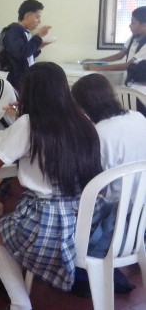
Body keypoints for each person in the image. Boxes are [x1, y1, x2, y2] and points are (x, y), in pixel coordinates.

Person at [0, 62, 103, 310]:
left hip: (49, 224)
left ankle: (20, 301)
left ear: (28, 91)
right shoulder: (83, 120)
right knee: (14, 204)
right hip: (86, 220)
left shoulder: (29, 123)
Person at [70, 73, 146, 297]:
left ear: (83, 108)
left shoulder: (98, 134)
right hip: (141, 216)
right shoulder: (138, 118)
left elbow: (87, 184)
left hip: (114, 221)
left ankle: (75, 274)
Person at [2, 0, 52, 89]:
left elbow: (28, 54)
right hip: (17, 80)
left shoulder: (25, 32)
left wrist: (39, 46)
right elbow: (21, 53)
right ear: (27, 16)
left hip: (26, 78)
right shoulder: (13, 31)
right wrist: (38, 36)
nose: (39, 21)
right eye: (37, 17)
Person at [82, 6, 146, 71]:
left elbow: (128, 65)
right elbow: (119, 56)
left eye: (133, 23)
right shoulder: (134, 37)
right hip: (129, 78)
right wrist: (95, 61)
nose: (130, 25)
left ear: (144, 25)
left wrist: (99, 68)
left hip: (139, 80)